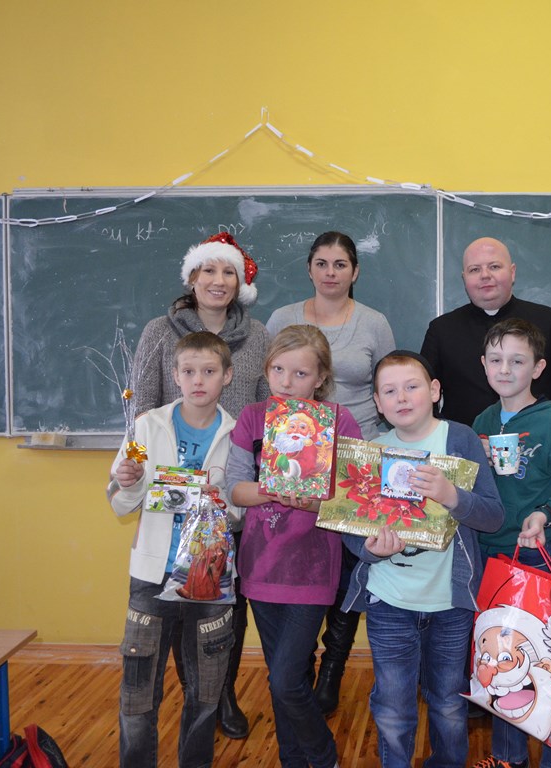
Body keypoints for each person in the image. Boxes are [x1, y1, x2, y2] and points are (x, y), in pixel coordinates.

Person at [131, 231, 269, 740]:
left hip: (229, 491)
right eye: (208, 269)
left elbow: (263, 413)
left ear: (241, 282)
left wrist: (250, 479)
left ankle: (220, 690)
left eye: (228, 271)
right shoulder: (158, 332)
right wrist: (143, 474)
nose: (218, 280)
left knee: (226, 602)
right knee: (173, 604)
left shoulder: (258, 336)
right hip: (172, 501)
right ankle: (193, 689)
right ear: (192, 277)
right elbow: (141, 408)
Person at [340, 351, 505, 768]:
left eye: (411, 386)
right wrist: (370, 550)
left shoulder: (460, 439)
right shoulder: (371, 451)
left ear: (434, 390)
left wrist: (452, 496)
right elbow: (351, 531)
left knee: (448, 702)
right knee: (393, 706)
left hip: (450, 604)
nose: (401, 397)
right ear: (377, 403)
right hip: (389, 602)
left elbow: (493, 516)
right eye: (389, 391)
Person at [265, 230, 395, 713]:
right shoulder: (283, 319)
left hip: (356, 455)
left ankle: (333, 666)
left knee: (348, 565)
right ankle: (298, 663)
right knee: (301, 558)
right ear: (309, 268)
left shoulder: (374, 322)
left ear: (355, 271)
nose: (331, 272)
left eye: (340, 264)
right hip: (297, 456)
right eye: (321, 263)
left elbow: (388, 385)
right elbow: (269, 384)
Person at [106, 331, 242, 768]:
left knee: (206, 692)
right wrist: (130, 482)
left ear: (227, 375)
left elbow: (240, 512)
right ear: (175, 375)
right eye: (189, 371)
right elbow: (120, 502)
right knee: (138, 692)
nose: (198, 380)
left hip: (210, 578)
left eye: (209, 371)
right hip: (152, 575)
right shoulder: (147, 426)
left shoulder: (237, 434)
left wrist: (221, 504)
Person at [226, 325, 360, 768]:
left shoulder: (339, 421)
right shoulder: (252, 418)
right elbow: (234, 489)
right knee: (285, 680)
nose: (286, 381)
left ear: (320, 378)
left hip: (313, 566)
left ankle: (324, 758)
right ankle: (293, 761)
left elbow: (354, 497)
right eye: (278, 370)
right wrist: (276, 490)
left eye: (300, 373)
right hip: (260, 566)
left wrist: (313, 499)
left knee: (285, 680)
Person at [469, 319, 551, 768]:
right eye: (496, 360)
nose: (505, 369)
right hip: (489, 556)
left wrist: (545, 515)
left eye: (517, 361)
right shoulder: (480, 422)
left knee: (549, 663)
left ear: (537, 368)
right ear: (484, 365)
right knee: (502, 663)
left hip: (536, 556)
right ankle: (508, 758)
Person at [420, 237, 551, 435]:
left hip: (537, 446)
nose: (485, 275)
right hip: (464, 448)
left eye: (494, 266)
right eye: (474, 269)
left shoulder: (548, 321)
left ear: (512, 272)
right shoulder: (441, 330)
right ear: (464, 278)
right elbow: (423, 398)